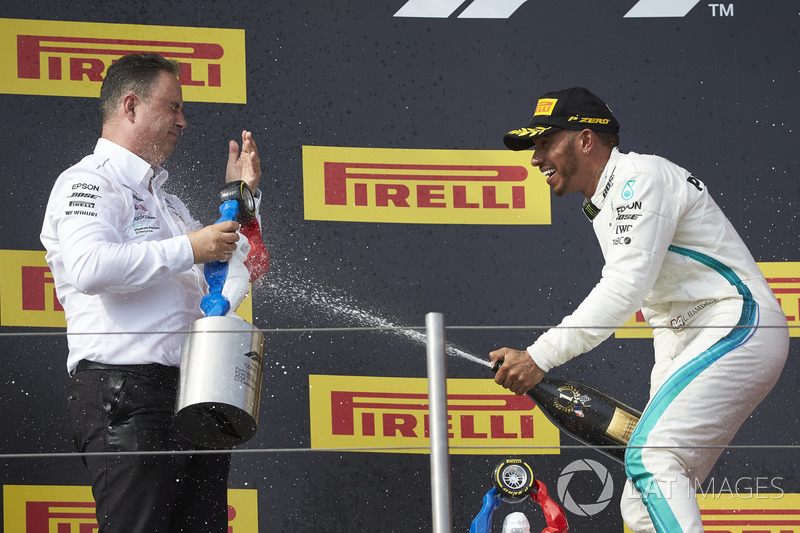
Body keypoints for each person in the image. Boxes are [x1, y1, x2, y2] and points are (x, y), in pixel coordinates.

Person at [490, 87, 789, 533]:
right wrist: (664, 377)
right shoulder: (605, 200)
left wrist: (538, 357)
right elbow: (662, 309)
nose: (536, 158)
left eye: (544, 142)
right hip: (702, 334)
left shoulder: (639, 179)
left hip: (737, 323)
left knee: (652, 457)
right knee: (642, 499)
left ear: (585, 140)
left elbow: (624, 290)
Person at [40, 53, 268, 533]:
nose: (183, 121)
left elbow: (233, 276)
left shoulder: (167, 202)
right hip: (126, 393)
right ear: (130, 106)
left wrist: (243, 200)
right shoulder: (89, 181)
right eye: (173, 107)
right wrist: (190, 246)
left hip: (192, 392)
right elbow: (89, 267)